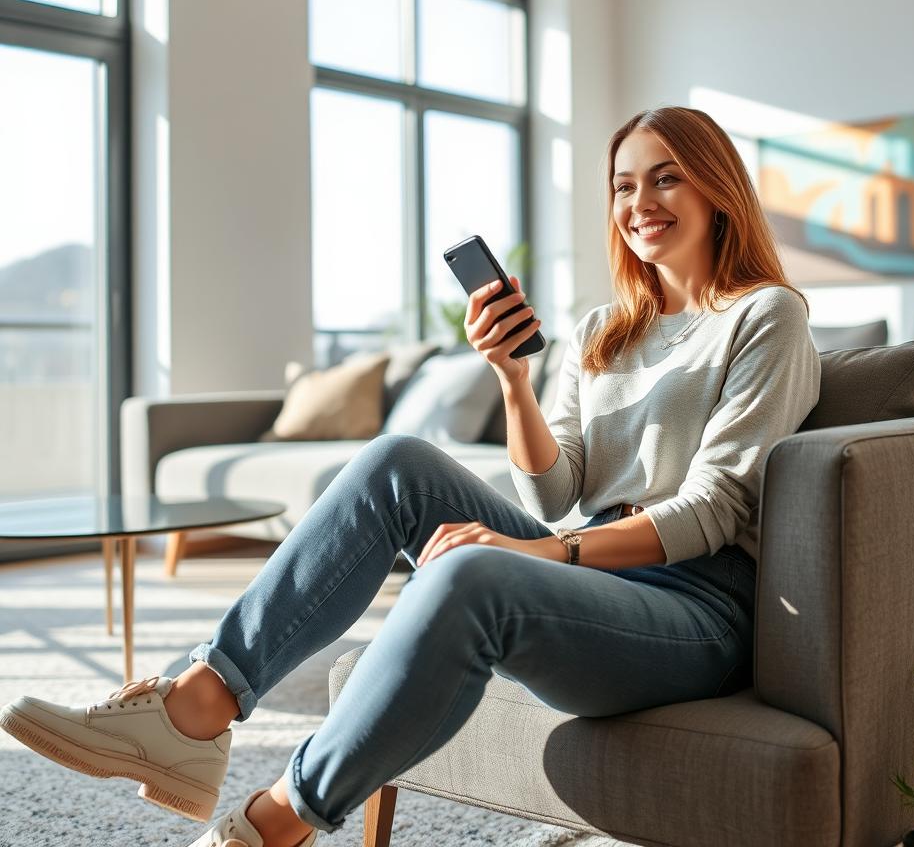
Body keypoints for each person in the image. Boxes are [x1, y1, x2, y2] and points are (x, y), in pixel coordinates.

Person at [0, 106, 821, 847]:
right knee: (397, 464)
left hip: (696, 611)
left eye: (667, 177)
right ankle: (198, 705)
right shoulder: (602, 329)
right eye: (623, 184)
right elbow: (554, 493)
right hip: (593, 570)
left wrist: (535, 555)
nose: (641, 201)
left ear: (719, 189)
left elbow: (716, 509)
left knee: (474, 571)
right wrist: (510, 379)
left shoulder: (766, 316)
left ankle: (277, 822)